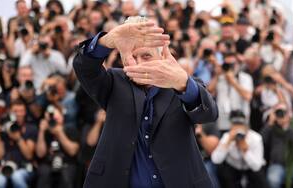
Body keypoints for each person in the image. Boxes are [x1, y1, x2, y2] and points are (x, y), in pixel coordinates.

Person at [74, 16, 218, 188]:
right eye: (133, 56)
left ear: (162, 56)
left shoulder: (181, 84)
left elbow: (209, 114)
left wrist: (183, 83)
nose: (139, 63)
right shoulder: (114, 81)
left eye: (146, 56)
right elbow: (85, 67)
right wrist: (107, 41)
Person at [211, 110, 268, 188]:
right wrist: (227, 143)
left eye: (241, 124)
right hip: (233, 169)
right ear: (231, 126)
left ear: (246, 126)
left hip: (250, 169)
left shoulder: (256, 138)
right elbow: (215, 159)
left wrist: (245, 151)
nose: (238, 127)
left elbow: (256, 166)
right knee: (224, 171)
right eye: (235, 124)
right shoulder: (227, 137)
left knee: (260, 178)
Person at [260, 103, 293, 188]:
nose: (281, 115)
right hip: (277, 164)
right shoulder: (271, 127)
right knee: (273, 180)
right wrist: (269, 124)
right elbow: (261, 140)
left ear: (289, 113)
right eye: (278, 112)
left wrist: (286, 127)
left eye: (283, 112)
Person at [0, 99, 37, 188]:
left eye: (21, 111)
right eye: (15, 111)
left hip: (24, 168)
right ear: (10, 112)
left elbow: (29, 155)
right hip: (5, 167)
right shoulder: (3, 129)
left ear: (25, 112)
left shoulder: (31, 128)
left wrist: (18, 138)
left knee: (17, 177)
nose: (19, 114)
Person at [35, 105, 80, 188]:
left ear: (62, 117)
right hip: (48, 164)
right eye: (50, 117)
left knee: (66, 175)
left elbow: (73, 151)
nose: (53, 120)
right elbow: (40, 154)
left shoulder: (70, 129)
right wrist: (41, 131)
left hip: (67, 163)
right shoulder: (44, 132)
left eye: (55, 117)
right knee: (44, 173)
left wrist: (60, 133)